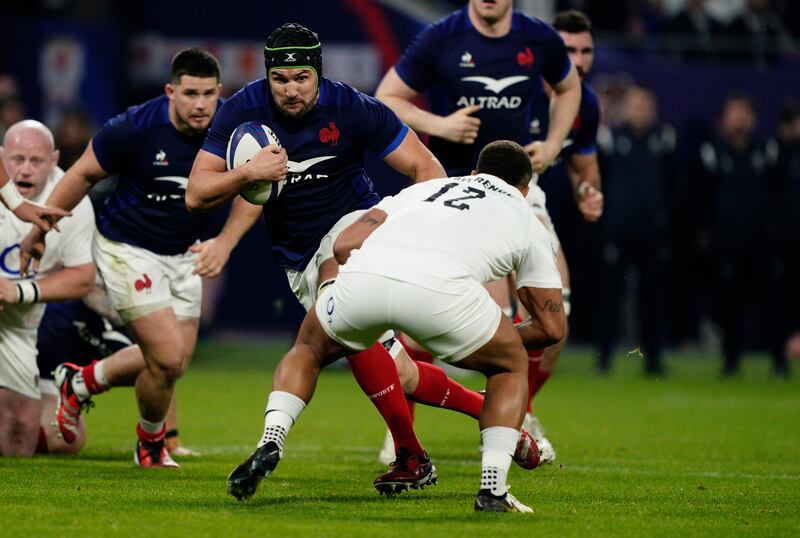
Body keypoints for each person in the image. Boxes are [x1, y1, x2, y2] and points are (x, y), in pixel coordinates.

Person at [227, 140, 566, 512]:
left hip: (367, 276)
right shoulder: (527, 219)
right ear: (525, 190)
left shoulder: (425, 189)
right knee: (509, 364)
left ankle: (272, 437)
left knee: (309, 348)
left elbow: (344, 245)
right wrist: (486, 343)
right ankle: (493, 490)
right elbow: (551, 328)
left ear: (473, 174)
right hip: (444, 294)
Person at [187, 22, 452, 492]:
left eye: (301, 78)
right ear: (267, 77)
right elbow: (197, 193)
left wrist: (408, 228)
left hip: (353, 233)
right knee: (376, 365)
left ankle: (405, 454)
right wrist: (247, 172)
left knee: (341, 309)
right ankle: (480, 414)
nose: (291, 90)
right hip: (297, 258)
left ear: (319, 73)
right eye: (281, 80)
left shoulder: (351, 106)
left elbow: (426, 168)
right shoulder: (242, 109)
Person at [373, 2, 593, 464]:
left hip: (520, 192)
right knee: (478, 315)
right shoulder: (441, 37)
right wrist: (439, 124)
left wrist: (552, 146)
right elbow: (387, 96)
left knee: (557, 316)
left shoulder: (536, 37)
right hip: (457, 190)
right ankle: (410, 425)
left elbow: (569, 87)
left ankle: (521, 410)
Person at [20, 48, 243, 467]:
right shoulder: (134, 126)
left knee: (169, 366)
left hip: (185, 255)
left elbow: (255, 189)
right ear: (169, 91)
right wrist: (37, 231)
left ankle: (80, 381)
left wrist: (225, 242)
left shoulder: (233, 129)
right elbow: (81, 174)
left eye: (209, 94)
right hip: (128, 249)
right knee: (167, 354)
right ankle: (151, 444)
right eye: (190, 93)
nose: (200, 104)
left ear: (219, 92)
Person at [0, 120, 95, 457]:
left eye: (36, 161)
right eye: (17, 159)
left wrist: (19, 292)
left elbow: (83, 277)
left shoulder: (72, 202)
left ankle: (52, 392)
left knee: (19, 441)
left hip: (22, 322)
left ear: (54, 160)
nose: (25, 169)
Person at [36, 280, 200, 456]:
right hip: (38, 345)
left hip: (51, 377)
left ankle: (77, 382)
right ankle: (77, 383)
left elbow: (162, 374)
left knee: (62, 443)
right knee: (161, 357)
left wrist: (171, 439)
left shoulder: (138, 335)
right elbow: (87, 285)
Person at [695, 93, 785, 376]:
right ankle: (731, 360)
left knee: (771, 303)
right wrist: (706, 233)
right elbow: (701, 196)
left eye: (744, 112)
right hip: (727, 241)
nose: (739, 118)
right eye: (734, 112)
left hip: (762, 241)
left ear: (753, 118)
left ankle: (779, 360)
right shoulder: (713, 151)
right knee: (729, 303)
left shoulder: (767, 150)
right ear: (724, 118)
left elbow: (779, 193)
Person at [595, 86, 674, 375]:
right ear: (625, 108)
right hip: (618, 230)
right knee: (610, 296)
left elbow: (671, 185)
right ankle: (603, 358)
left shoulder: (663, 140)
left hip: (652, 231)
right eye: (635, 104)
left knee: (653, 298)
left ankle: (653, 360)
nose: (639, 110)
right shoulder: (611, 141)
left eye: (645, 105)